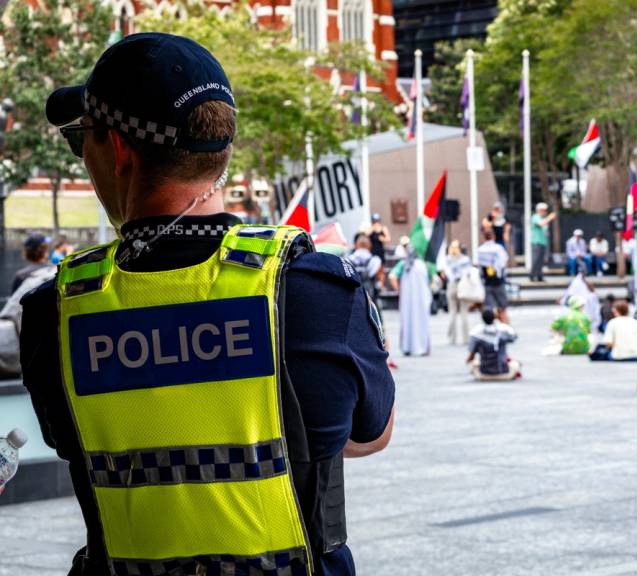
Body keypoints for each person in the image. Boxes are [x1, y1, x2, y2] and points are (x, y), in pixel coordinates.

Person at [26, 33, 395, 576]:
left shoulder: (57, 310)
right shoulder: (314, 289)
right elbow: (371, 434)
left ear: (120, 151)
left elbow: (72, 442)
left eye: (83, 137)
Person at [389, 239, 432, 356]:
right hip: (422, 301)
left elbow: (392, 276)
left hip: (407, 302)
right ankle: (421, 347)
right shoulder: (424, 265)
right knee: (421, 322)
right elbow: (431, 281)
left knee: (408, 321)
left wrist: (399, 290)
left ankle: (407, 347)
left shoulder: (404, 264)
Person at [466, 309, 520, 380]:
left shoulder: (476, 333)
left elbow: (470, 358)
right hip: (504, 373)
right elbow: (514, 336)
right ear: (495, 317)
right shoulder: (503, 330)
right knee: (516, 363)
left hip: (483, 374)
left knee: (474, 363)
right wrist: (502, 320)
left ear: (482, 318)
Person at [442, 240, 473, 345]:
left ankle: (452, 338)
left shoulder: (447, 260)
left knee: (452, 312)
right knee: (464, 313)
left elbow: (445, 274)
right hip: (463, 285)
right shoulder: (465, 259)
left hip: (452, 285)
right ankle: (466, 338)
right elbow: (469, 273)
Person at [477, 229, 511, 324]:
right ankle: (506, 327)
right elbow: (503, 262)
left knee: (489, 308)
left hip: (487, 282)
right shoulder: (498, 248)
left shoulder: (480, 250)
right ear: (493, 237)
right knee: (503, 307)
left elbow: (479, 266)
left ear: (484, 237)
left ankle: (491, 328)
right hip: (498, 281)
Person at [346, 233, 382, 300]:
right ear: (370, 245)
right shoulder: (376, 260)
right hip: (369, 297)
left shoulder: (347, 260)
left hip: (353, 296)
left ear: (356, 245)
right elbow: (379, 279)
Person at [530, 202, 556, 282]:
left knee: (541, 260)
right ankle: (532, 275)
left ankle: (539, 276)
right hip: (536, 242)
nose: (544, 212)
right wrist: (550, 217)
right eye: (543, 210)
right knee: (536, 259)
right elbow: (541, 224)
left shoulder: (543, 218)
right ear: (539, 210)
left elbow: (545, 231)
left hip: (543, 242)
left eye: (545, 210)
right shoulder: (535, 217)